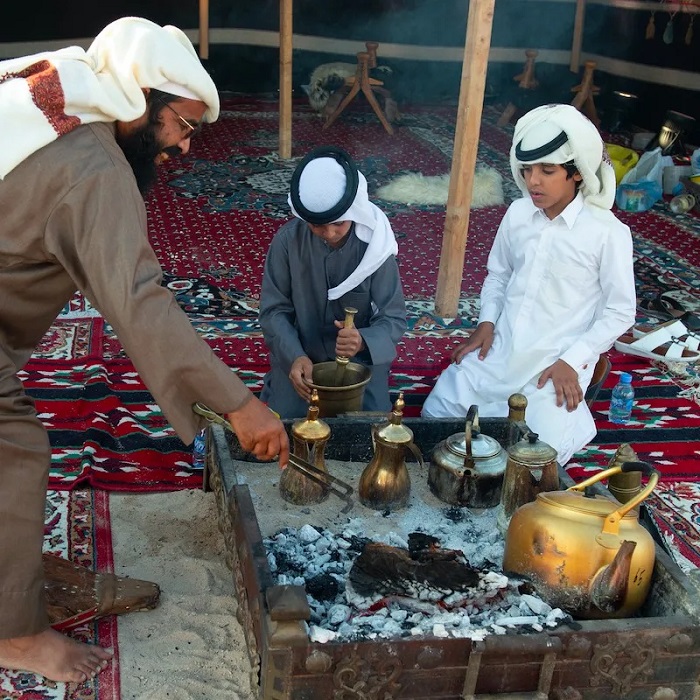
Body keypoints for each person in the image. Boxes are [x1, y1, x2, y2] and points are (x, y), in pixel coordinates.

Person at [0, 17, 289, 684]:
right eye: (181, 125)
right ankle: (15, 636)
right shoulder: (94, 166)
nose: (184, 146)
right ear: (143, 100)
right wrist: (238, 405)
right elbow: (138, 300)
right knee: (15, 446)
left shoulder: (61, 89)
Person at [422, 104, 636, 465]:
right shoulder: (518, 214)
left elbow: (620, 311)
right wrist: (487, 323)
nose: (533, 180)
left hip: (552, 366)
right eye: (527, 170)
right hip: (501, 350)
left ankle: (571, 415)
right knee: (435, 416)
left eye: (547, 171)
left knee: (534, 459)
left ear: (578, 174)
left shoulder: (608, 233)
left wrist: (574, 360)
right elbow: (499, 273)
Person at [259, 146, 407, 418]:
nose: (328, 233)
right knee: (287, 431)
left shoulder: (376, 246)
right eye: (317, 225)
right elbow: (273, 311)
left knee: (369, 433)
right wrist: (294, 356)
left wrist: (362, 340)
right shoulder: (287, 242)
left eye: (338, 222)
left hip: (361, 362)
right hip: (304, 355)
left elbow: (394, 318)